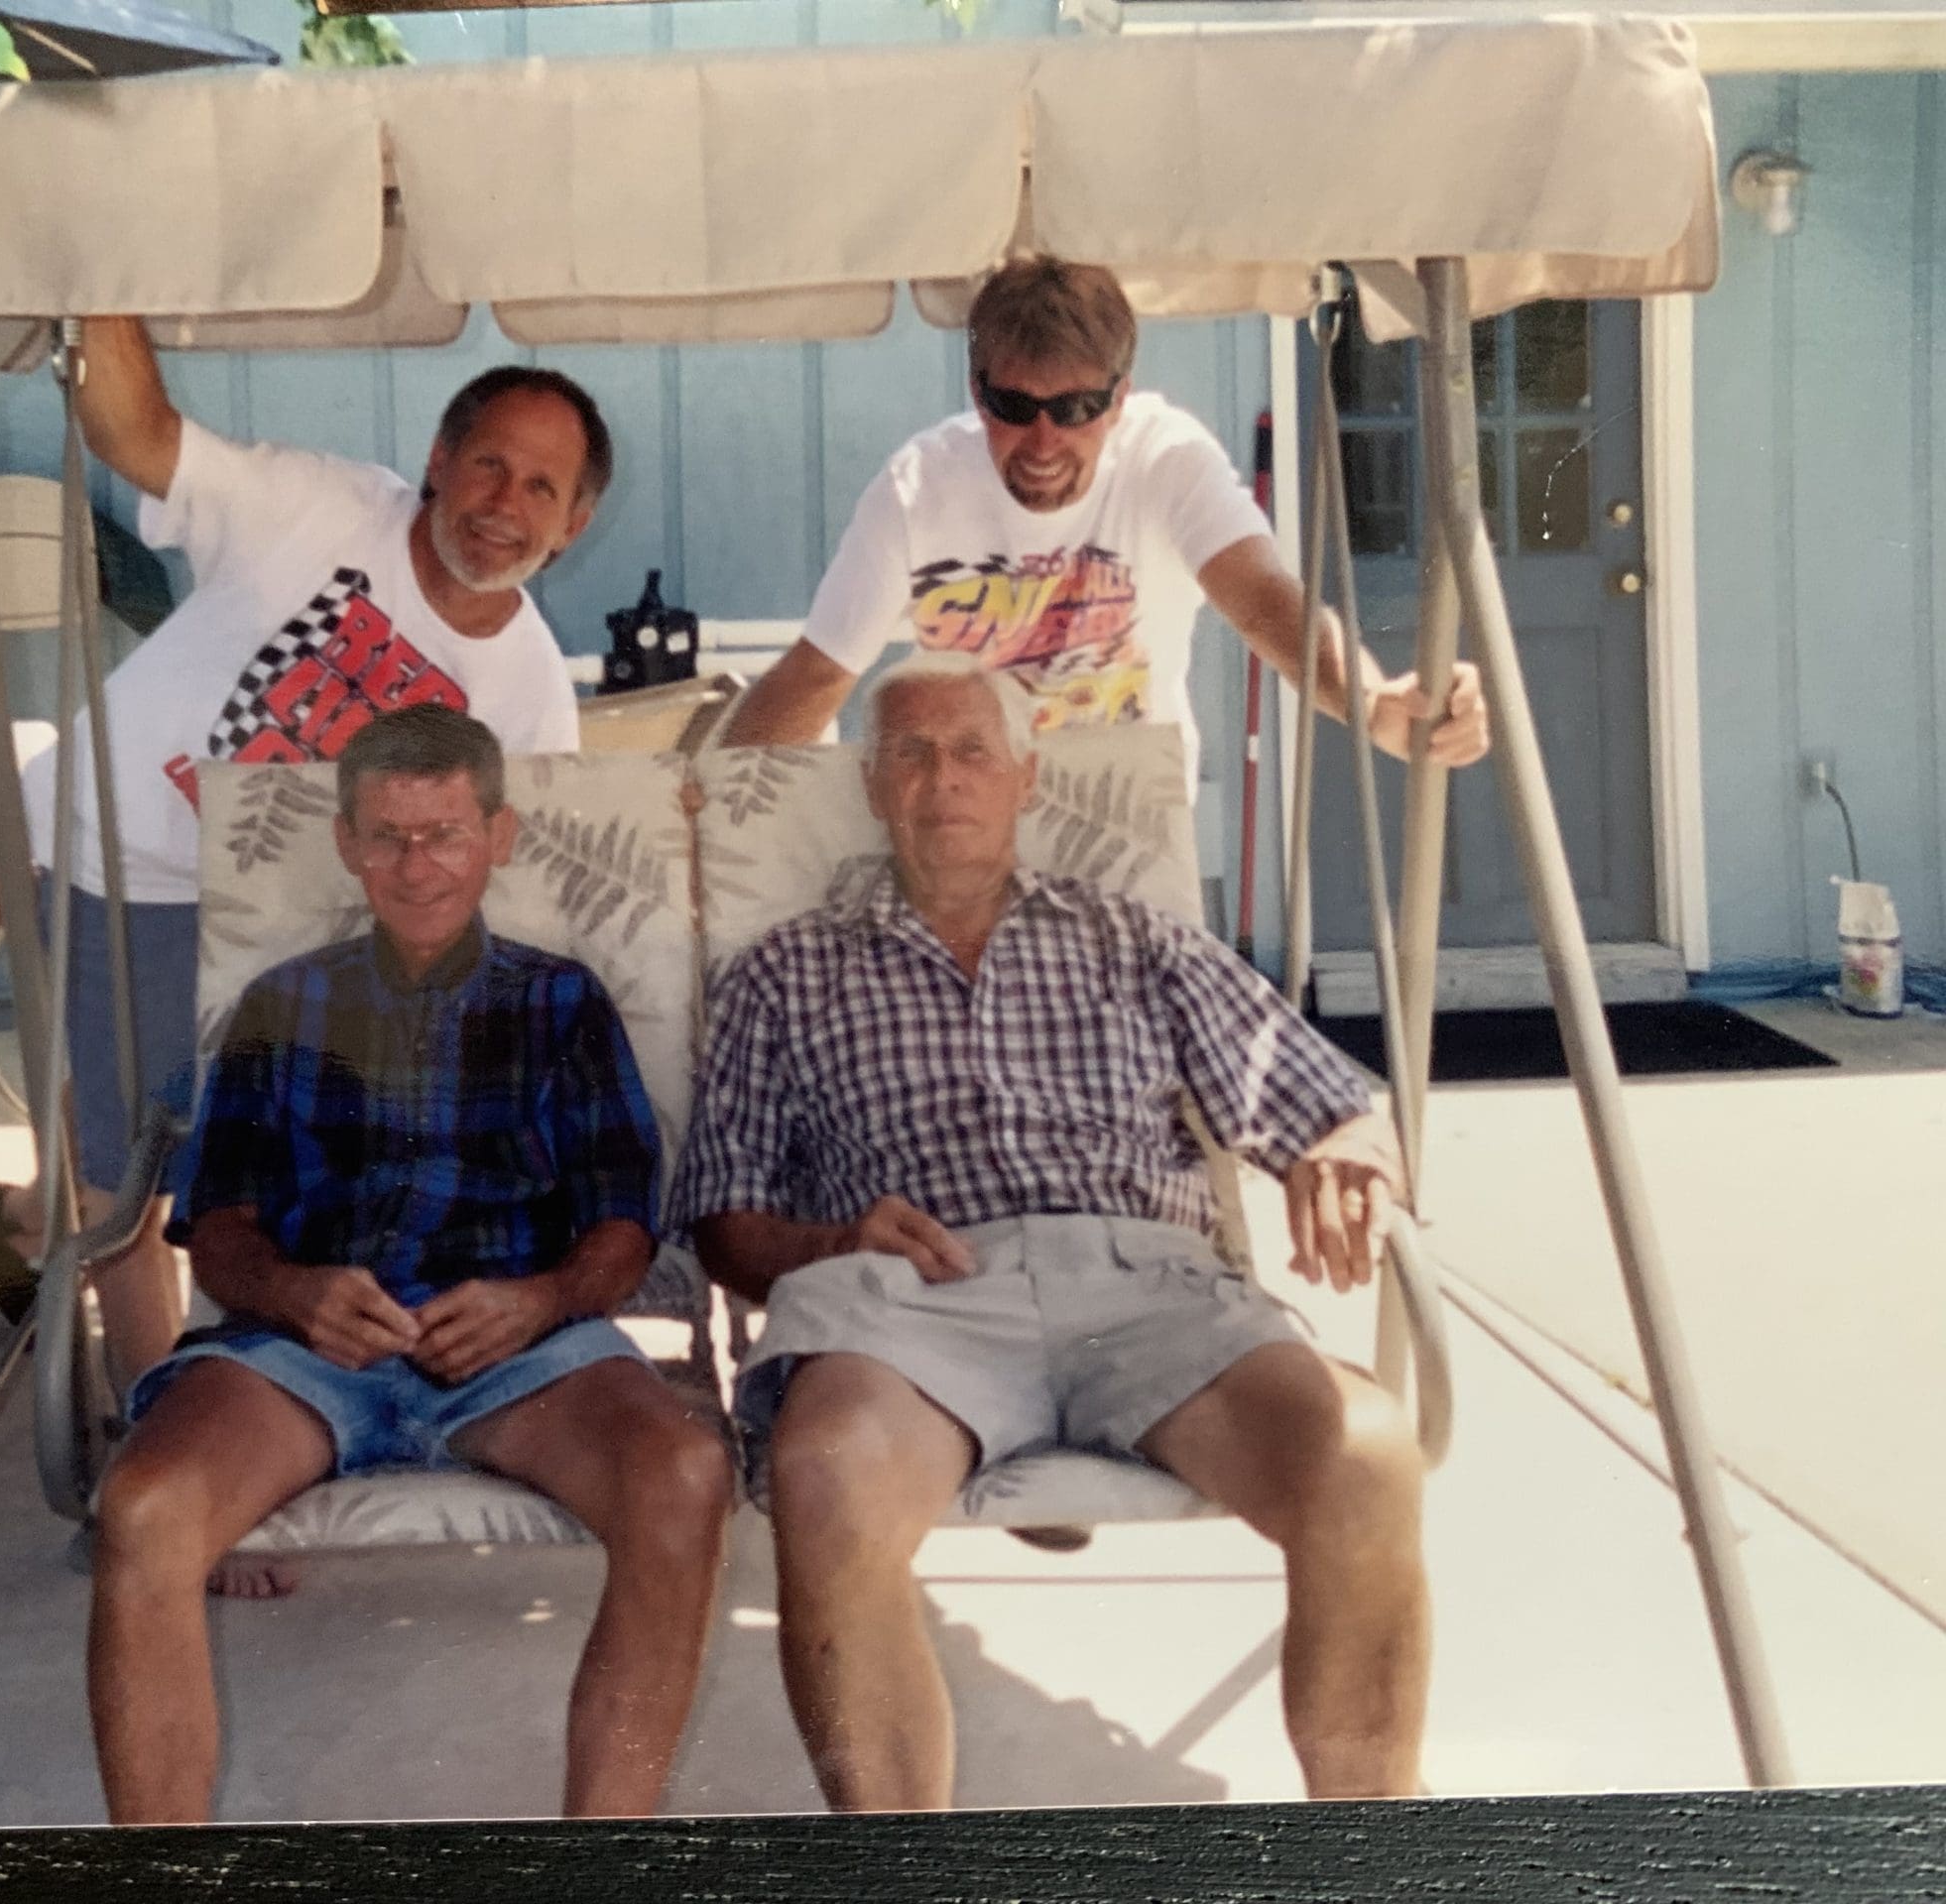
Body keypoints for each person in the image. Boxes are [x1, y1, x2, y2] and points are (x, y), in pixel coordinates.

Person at [673, 654, 1429, 1810]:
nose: (943, 779)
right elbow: (724, 1227)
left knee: (1364, 1458)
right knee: (825, 1475)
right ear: (871, 785)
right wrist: (829, 1245)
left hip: (1148, 1290)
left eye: (972, 751)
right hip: (911, 1302)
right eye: (910, 753)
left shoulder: (1133, 940)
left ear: (1026, 777)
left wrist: (1346, 1150)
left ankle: (1377, 1852)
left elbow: (1327, 1103)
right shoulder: (783, 973)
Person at [0, 320, 615, 1594]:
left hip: (303, 921)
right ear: (437, 459)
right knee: (127, 1180)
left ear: (572, 524)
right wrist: (104, 290)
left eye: (541, 486)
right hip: (123, 859)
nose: (503, 503)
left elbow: (495, 878)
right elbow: (136, 433)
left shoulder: (527, 685)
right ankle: (158, 1447)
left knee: (239, 1166)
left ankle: (23, 1229)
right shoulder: (319, 506)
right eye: (486, 463)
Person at [86, 706, 733, 1826]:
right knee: (143, 1508)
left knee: (682, 1476)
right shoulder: (282, 1003)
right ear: (346, 842)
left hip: (519, 1354)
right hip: (306, 1353)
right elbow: (220, 1230)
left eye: (444, 835)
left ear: (497, 836)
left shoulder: (562, 1002)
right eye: (387, 837)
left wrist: (541, 1301)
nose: (417, 866)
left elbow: (623, 1227)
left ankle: (601, 1857)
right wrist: (294, 1293)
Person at [719, 255, 1491, 784]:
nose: (1043, 441)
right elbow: (820, 673)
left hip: (1132, 837)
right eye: (1014, 406)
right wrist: (706, 802)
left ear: (1120, 398)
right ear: (977, 390)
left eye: (1076, 408)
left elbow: (1261, 599)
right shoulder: (919, 484)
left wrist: (1375, 704)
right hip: (968, 837)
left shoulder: (1166, 455)